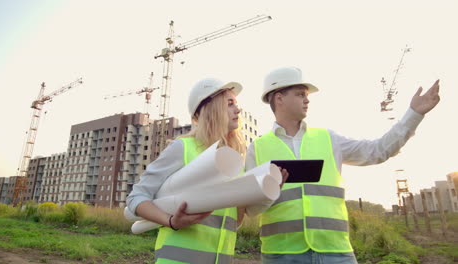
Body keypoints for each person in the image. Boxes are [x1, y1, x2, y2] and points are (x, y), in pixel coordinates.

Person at [245, 66, 440, 264]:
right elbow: (251, 209)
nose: (307, 99)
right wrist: (269, 191)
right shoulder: (257, 148)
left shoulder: (329, 139)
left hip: (335, 253)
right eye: (300, 94)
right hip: (282, 255)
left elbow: (377, 150)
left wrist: (414, 114)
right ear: (279, 99)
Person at [127, 77, 246, 264]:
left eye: (237, 104)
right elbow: (136, 197)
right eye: (230, 103)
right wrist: (171, 221)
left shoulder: (233, 160)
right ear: (210, 108)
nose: (238, 109)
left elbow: (231, 223)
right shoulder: (183, 148)